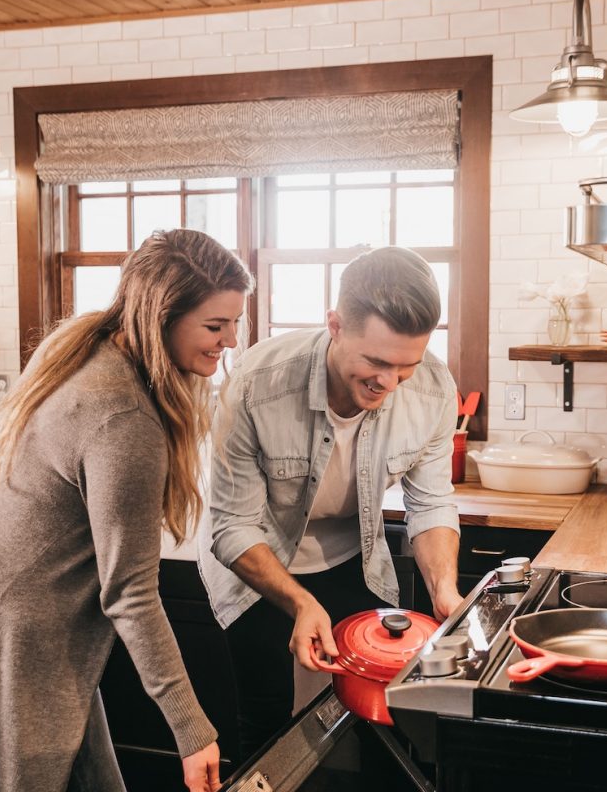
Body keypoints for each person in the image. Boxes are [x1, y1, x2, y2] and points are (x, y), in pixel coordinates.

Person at [0, 229, 253, 792]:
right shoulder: (124, 416)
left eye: (236, 322)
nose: (230, 340)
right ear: (161, 315)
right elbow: (131, 594)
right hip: (5, 629)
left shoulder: (89, 346)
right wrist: (193, 732)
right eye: (216, 325)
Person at [198, 246, 462, 758]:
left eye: (405, 366)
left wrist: (444, 589)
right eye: (376, 361)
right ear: (336, 325)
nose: (389, 382)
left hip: (354, 559)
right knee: (268, 720)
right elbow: (231, 525)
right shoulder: (257, 384)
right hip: (258, 563)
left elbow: (430, 503)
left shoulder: (432, 387)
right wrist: (300, 602)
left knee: (379, 718)